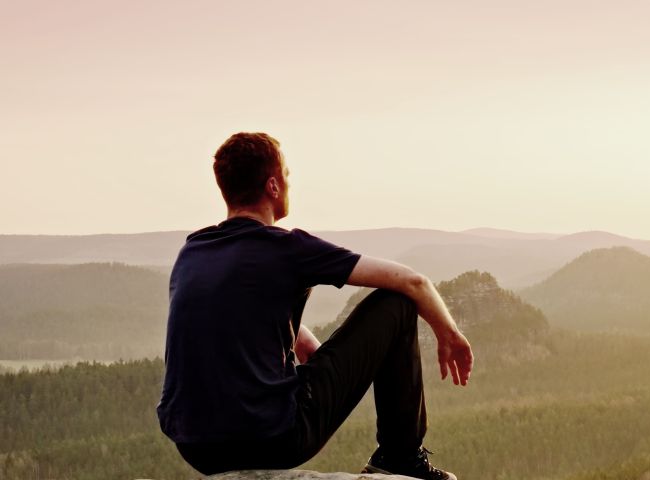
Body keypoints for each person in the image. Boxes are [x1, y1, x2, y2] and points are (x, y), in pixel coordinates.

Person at [156, 132, 472, 480]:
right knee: (395, 303)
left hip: (196, 446)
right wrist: (450, 333)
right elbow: (412, 282)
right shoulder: (287, 248)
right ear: (273, 186)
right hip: (273, 438)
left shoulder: (194, 251)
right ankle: (401, 458)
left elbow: (241, 316)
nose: (290, 182)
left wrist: (322, 361)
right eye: (287, 174)